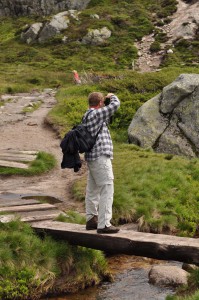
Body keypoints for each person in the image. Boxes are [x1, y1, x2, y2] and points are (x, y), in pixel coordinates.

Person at [83, 92, 120, 234]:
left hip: (92, 157)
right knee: (107, 187)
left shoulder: (87, 114)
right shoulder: (96, 114)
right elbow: (115, 105)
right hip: (100, 157)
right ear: (100, 103)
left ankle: (91, 219)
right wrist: (112, 96)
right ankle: (104, 224)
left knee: (92, 190)